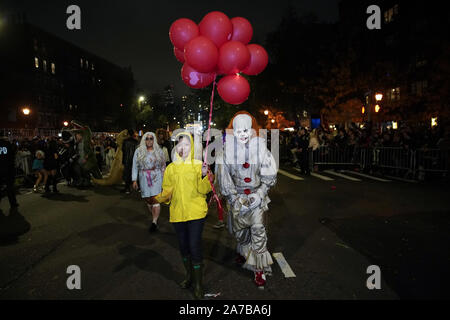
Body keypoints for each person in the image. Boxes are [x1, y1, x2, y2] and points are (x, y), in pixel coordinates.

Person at [148, 132, 213, 299]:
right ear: (175, 147)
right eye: (179, 145)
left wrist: (206, 176)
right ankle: (190, 277)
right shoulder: (171, 168)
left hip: (196, 213)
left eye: (186, 145)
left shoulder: (199, 165)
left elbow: (205, 190)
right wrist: (158, 197)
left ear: (192, 146)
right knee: (183, 248)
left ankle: (199, 284)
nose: (182, 148)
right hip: (177, 214)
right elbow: (168, 190)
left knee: (194, 246)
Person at [216, 111, 277, 289]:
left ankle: (259, 270)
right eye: (239, 131)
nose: (243, 134)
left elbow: (269, 173)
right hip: (238, 198)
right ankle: (243, 249)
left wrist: (260, 194)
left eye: (246, 130)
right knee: (239, 232)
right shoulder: (225, 154)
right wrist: (235, 199)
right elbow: (224, 179)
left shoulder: (261, 150)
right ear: (234, 133)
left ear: (251, 131)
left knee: (258, 231)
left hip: (257, 197)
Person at [132, 132, 166, 233]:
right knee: (148, 200)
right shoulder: (139, 151)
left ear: (154, 140)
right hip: (144, 178)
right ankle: (154, 217)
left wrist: (165, 180)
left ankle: (154, 222)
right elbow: (134, 166)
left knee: (155, 200)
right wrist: (134, 179)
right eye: (147, 138)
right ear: (144, 140)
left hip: (157, 177)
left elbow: (163, 166)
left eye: (151, 138)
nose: (149, 140)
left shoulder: (159, 151)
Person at [0, 135, 19, 209]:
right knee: (10, 187)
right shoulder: (8, 144)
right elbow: (13, 153)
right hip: (8, 169)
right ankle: (13, 203)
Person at [122, 129, 138, 194]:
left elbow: (123, 151)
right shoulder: (136, 141)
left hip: (127, 159)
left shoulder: (125, 141)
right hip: (134, 159)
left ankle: (127, 188)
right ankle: (137, 186)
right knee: (134, 173)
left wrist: (123, 160)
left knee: (127, 174)